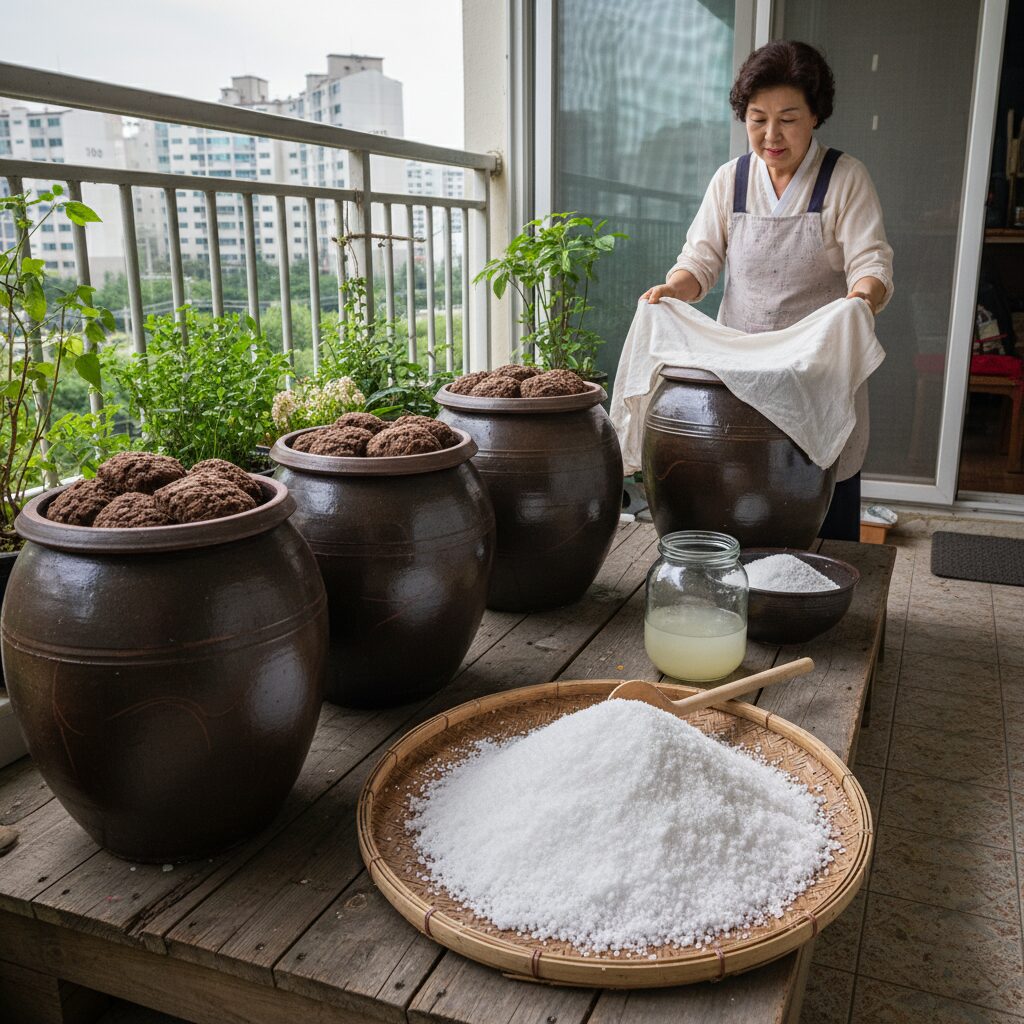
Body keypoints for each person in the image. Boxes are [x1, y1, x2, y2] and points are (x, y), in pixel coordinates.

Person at [641, 41, 893, 541]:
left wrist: (861, 300)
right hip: (745, 380)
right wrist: (673, 289)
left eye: (788, 119)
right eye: (758, 119)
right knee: (742, 502)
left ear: (816, 115)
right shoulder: (730, 181)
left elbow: (871, 263)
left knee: (821, 508)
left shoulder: (844, 178)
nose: (771, 135)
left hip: (816, 374)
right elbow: (699, 261)